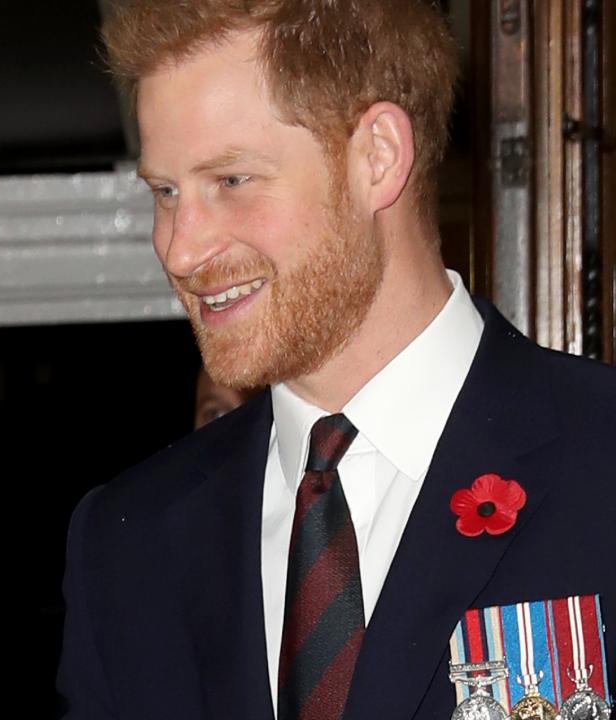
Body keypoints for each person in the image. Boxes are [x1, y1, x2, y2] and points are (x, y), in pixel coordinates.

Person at [57, 1, 616, 718]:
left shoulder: (601, 463)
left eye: (231, 181)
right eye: (165, 192)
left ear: (377, 156)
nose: (181, 249)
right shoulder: (127, 544)